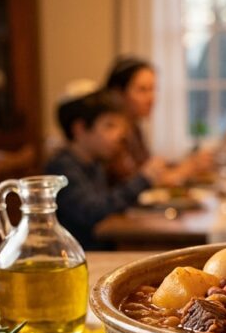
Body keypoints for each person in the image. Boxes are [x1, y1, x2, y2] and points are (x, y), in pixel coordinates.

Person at [46, 80, 187, 250]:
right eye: (109, 126)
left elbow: (110, 201)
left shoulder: (95, 163)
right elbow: (93, 211)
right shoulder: (62, 168)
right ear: (80, 129)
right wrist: (143, 178)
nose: (119, 135)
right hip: (81, 257)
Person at [104, 56, 211, 179]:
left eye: (153, 89)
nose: (152, 98)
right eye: (142, 90)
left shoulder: (134, 128)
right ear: (117, 94)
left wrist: (187, 164)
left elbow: (146, 169)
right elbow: (134, 182)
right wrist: (184, 170)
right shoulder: (113, 136)